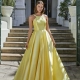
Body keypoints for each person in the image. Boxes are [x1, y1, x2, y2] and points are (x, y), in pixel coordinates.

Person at [14, 0, 70, 80]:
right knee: (35, 57)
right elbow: (30, 30)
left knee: (47, 57)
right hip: (36, 38)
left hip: (46, 38)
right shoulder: (31, 17)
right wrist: (27, 41)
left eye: (41, 7)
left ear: (43, 7)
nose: (40, 8)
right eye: (38, 6)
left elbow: (48, 29)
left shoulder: (45, 17)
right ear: (36, 7)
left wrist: (53, 40)